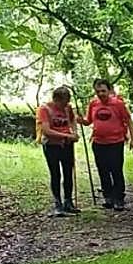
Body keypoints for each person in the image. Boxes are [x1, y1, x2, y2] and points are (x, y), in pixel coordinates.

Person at [79, 79, 133, 211]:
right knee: (103, 170)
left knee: (116, 169)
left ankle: (119, 198)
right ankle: (108, 196)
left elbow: (128, 120)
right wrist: (80, 120)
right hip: (98, 142)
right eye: (98, 91)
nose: (101, 94)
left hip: (115, 142)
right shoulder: (93, 104)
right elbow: (88, 121)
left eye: (103, 91)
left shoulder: (118, 104)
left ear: (109, 90)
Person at [37, 87, 79, 216]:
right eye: (62, 102)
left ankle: (68, 201)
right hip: (51, 145)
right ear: (56, 99)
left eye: (67, 102)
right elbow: (46, 130)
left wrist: (74, 133)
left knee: (68, 173)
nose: (64, 105)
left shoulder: (68, 108)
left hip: (67, 145)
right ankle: (57, 203)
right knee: (55, 173)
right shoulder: (44, 109)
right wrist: (67, 136)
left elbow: (72, 120)